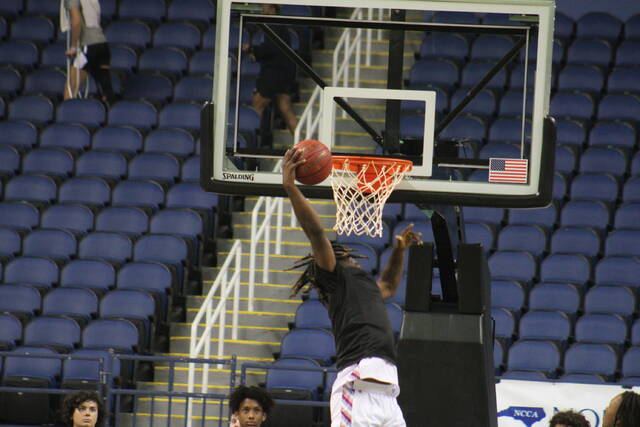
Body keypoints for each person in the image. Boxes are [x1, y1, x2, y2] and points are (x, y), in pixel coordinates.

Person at [283, 147, 422, 427]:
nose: (349, 253)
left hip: (387, 393)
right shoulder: (334, 279)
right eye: (343, 252)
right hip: (356, 388)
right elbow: (316, 232)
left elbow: (389, 286)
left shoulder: (365, 285)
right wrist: (289, 187)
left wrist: (399, 250)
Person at [242, 4, 298, 136]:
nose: (262, 10)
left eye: (265, 7)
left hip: (274, 73)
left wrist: (252, 49)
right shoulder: (278, 26)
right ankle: (302, 145)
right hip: (283, 73)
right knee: (285, 108)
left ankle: (252, 141)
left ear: (273, 9)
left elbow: (270, 49)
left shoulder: (273, 25)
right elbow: (275, 51)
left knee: (257, 103)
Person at [61, 0, 115, 104]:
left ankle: (67, 118)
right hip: (102, 45)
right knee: (106, 92)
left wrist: (73, 47)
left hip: (88, 47)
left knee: (70, 89)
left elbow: (76, 22)